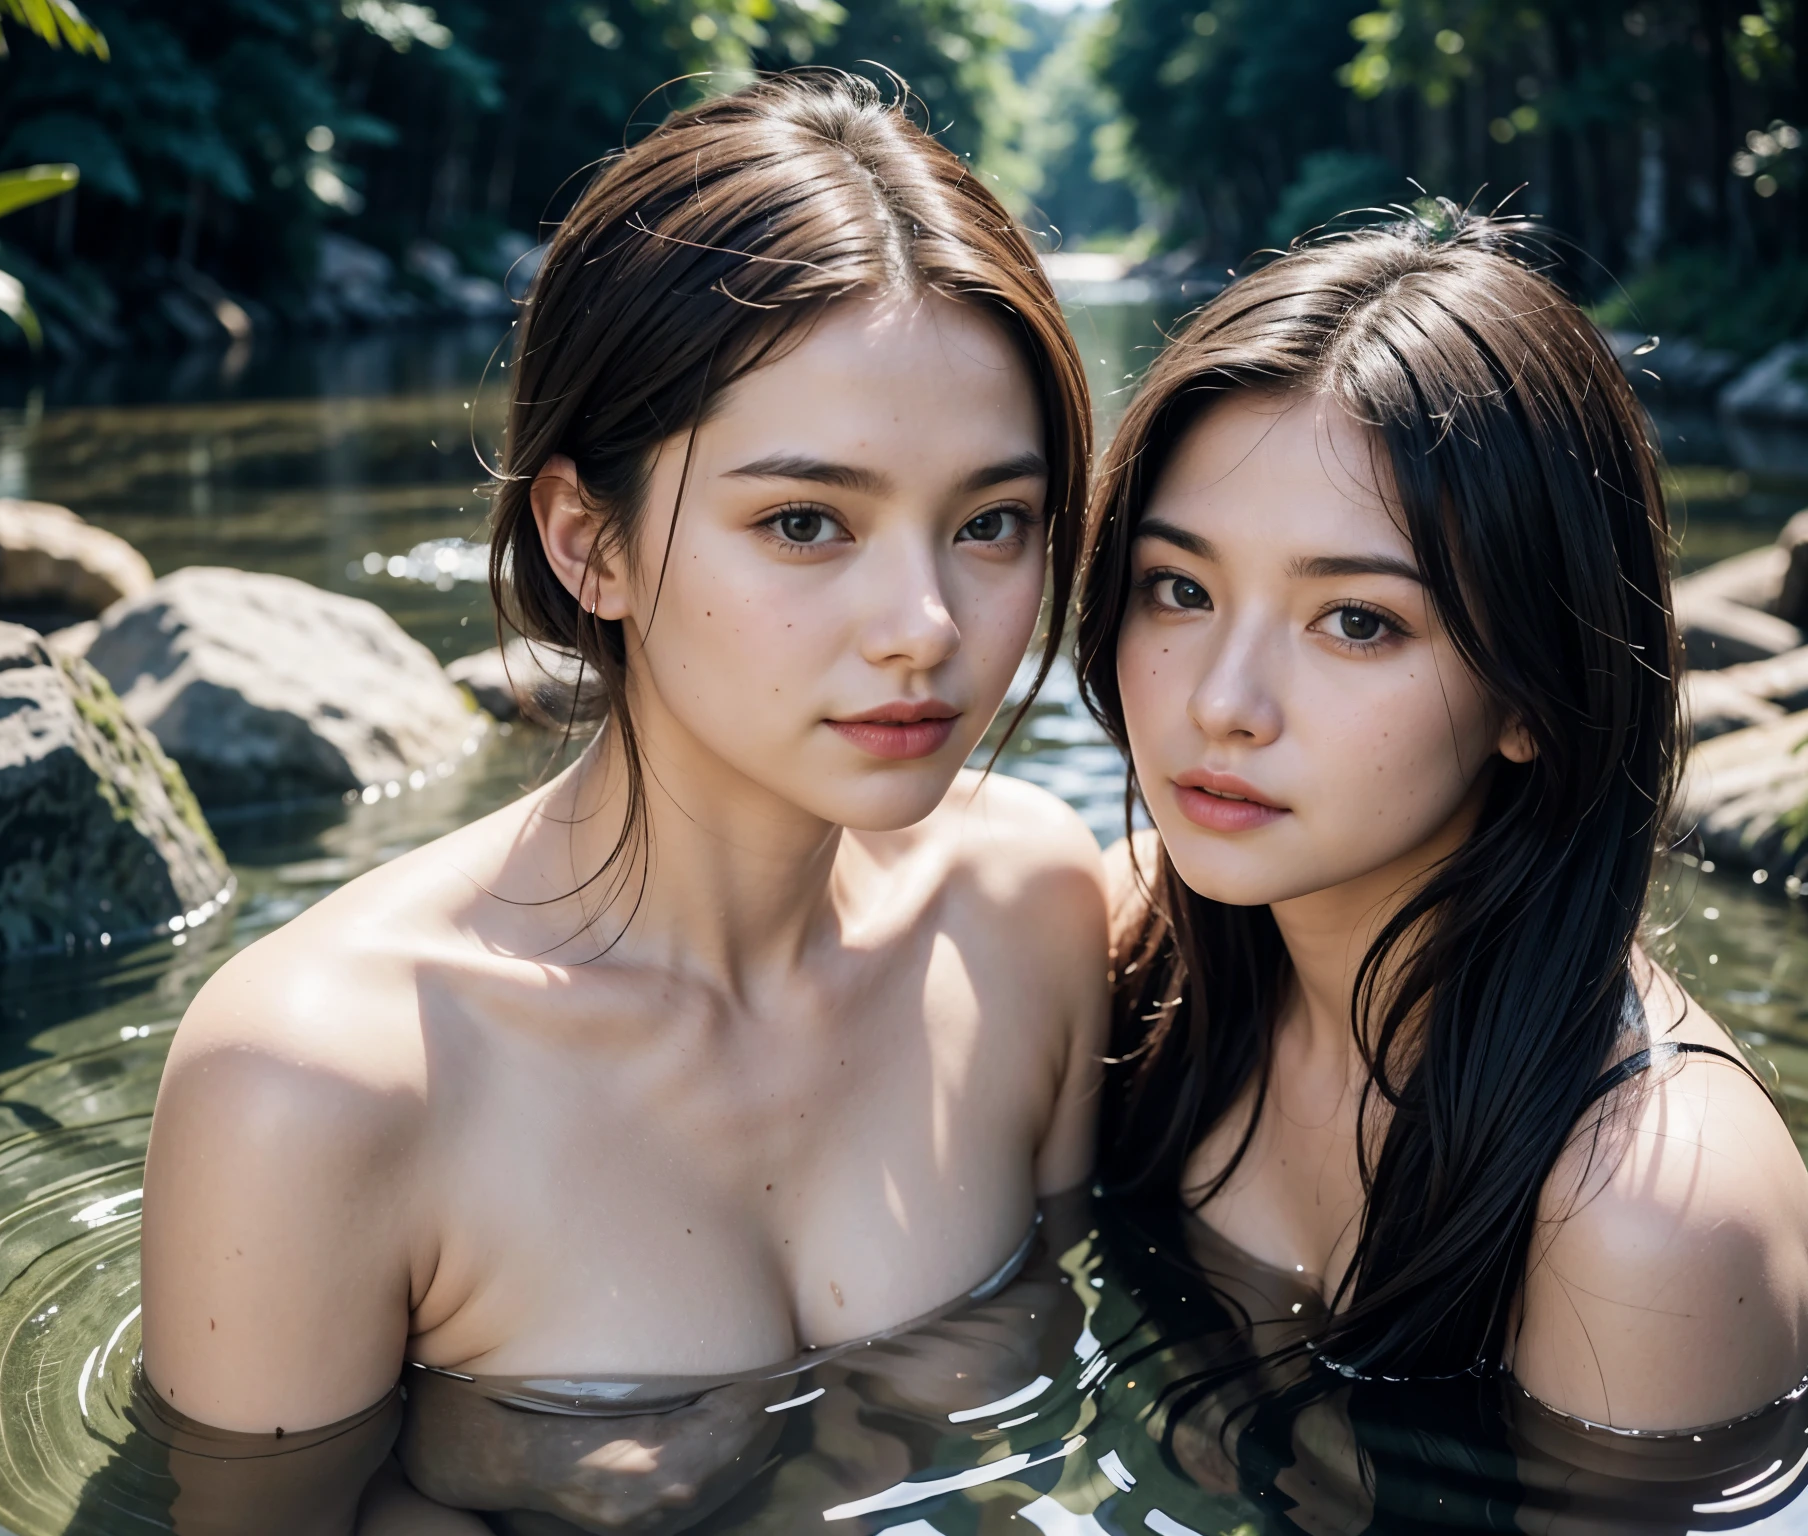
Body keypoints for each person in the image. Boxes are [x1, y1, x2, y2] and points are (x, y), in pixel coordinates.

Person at [138, 70, 1111, 1531]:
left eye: (991, 523)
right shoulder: (317, 1085)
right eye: (804, 523)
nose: (924, 622)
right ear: (591, 542)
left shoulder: (1026, 909)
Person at [1075, 209, 1808, 1433]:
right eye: (1179, 589)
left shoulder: (1641, 1217)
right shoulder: (1140, 945)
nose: (1220, 703)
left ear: (1531, 691)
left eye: (1355, 621)